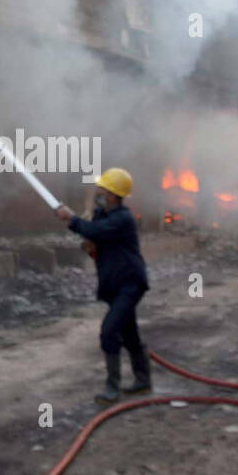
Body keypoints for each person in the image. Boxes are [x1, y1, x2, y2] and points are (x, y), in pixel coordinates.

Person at [55, 167, 151, 404]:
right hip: (113, 283)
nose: (98, 192)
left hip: (130, 283)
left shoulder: (123, 219)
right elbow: (96, 239)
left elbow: (93, 231)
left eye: (103, 189)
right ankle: (143, 381)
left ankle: (112, 388)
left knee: (109, 331)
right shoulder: (103, 216)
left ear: (113, 195)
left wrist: (71, 218)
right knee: (129, 333)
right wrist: (91, 249)